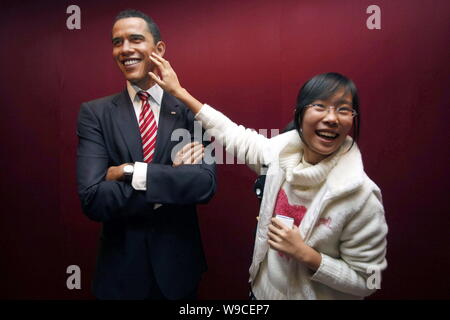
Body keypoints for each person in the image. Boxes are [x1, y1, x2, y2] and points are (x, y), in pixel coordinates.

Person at [148, 53, 388, 299]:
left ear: (352, 120)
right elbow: (232, 134)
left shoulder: (361, 196)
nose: (331, 118)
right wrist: (179, 92)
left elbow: (366, 280)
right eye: (320, 106)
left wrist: (307, 255)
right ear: (299, 115)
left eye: (344, 110)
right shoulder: (277, 155)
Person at [76, 10, 216, 300]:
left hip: (178, 270)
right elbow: (92, 198)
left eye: (135, 39)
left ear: (159, 49)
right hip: (120, 273)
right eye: (117, 42)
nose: (125, 49)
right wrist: (171, 180)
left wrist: (128, 172)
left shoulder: (191, 110)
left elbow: (204, 185)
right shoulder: (95, 114)